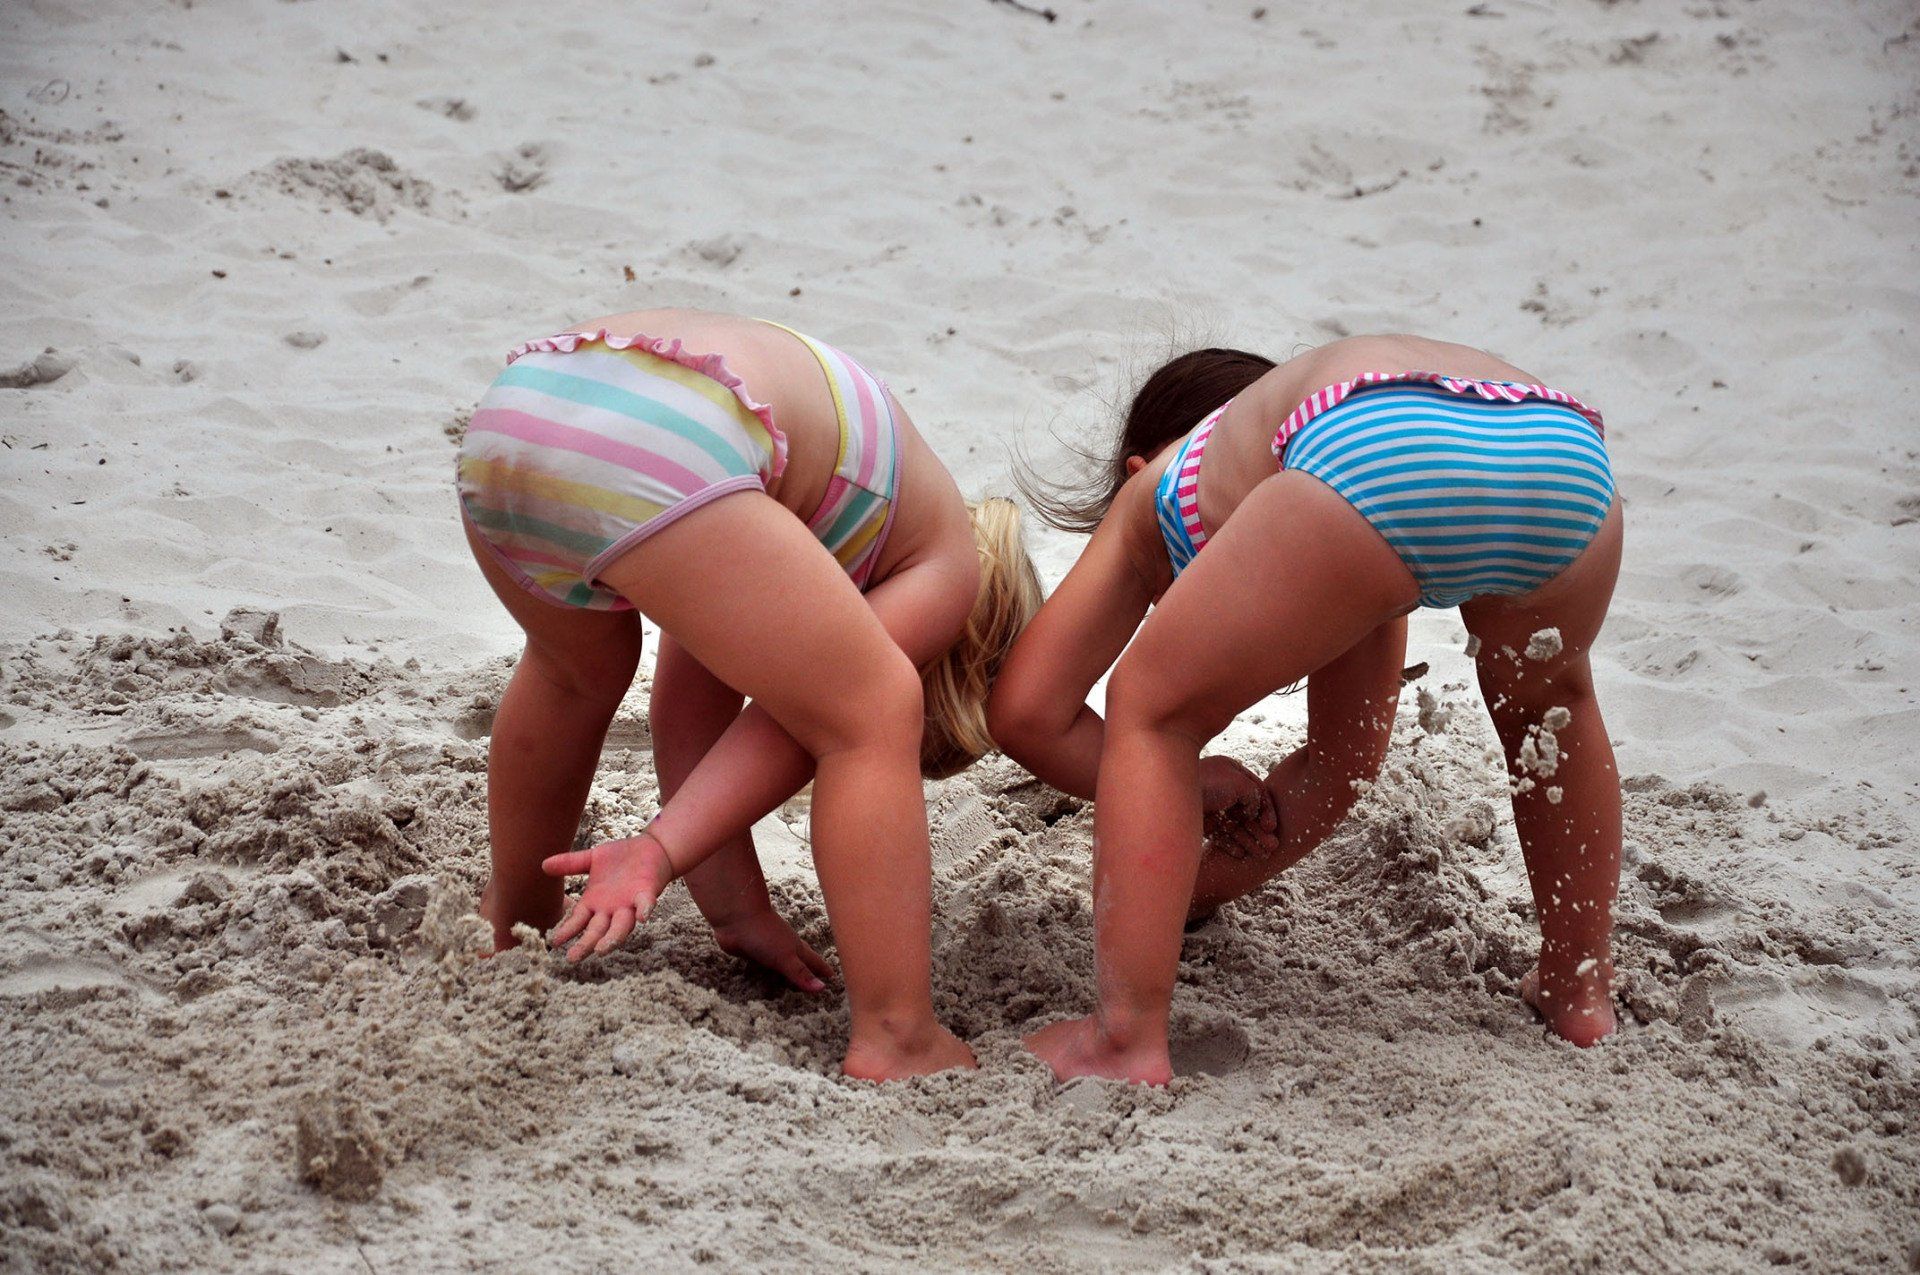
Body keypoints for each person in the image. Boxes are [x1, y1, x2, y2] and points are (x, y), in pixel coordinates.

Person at [989, 334, 1622, 1083]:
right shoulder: (1323, 493)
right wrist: (1191, 885)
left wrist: (1187, 779)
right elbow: (1339, 765)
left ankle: (1122, 1042)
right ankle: (1578, 989)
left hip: (1375, 442)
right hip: (1563, 447)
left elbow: (1026, 710)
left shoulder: (1161, 487)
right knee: (1551, 709)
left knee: (1151, 712)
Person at [458, 308, 1041, 1080]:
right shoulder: (948, 562)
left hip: (519, 414)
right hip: (669, 436)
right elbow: (799, 724)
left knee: (573, 674)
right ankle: (900, 1036)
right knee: (872, 709)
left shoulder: (813, 508)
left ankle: (513, 922)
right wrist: (659, 849)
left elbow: (690, 722)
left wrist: (738, 913)